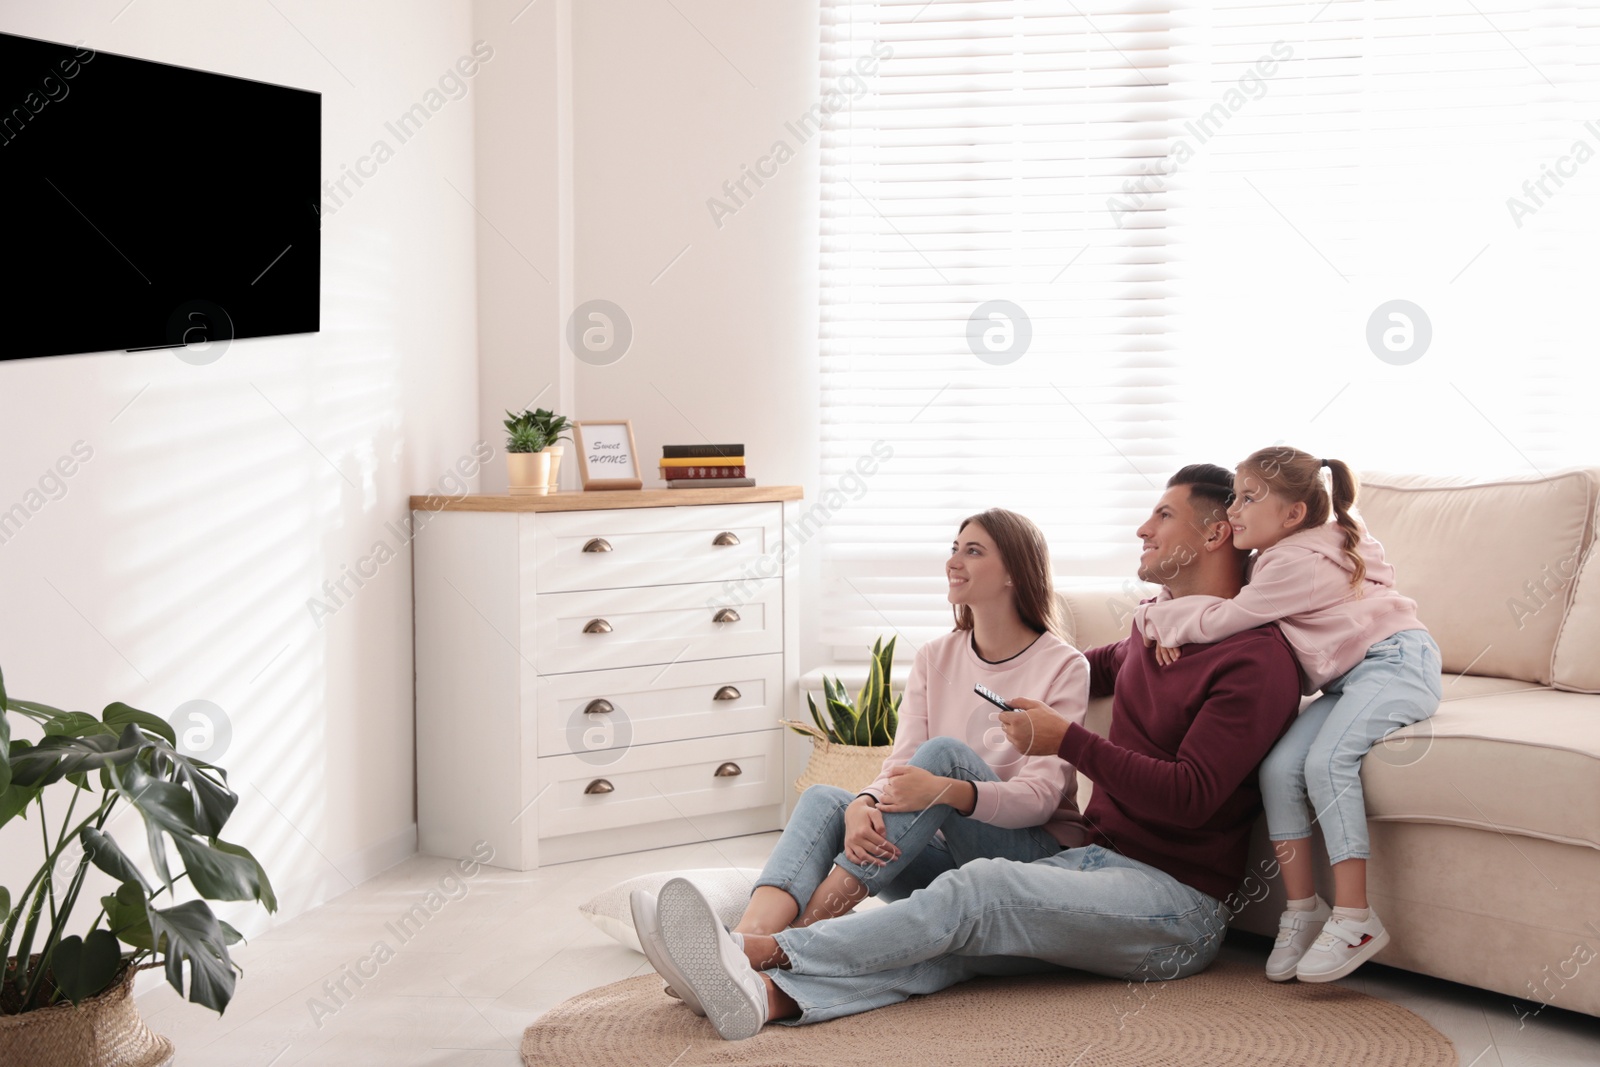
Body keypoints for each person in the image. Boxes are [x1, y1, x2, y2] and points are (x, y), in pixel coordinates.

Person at [633, 464, 1303, 1040]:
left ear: (1215, 534)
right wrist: (1152, 633)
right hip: (1094, 862)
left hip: (1177, 904)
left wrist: (1066, 740)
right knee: (955, 937)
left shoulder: (1256, 660)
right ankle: (769, 998)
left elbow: (1189, 795)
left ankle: (758, 949)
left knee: (979, 890)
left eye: (1162, 513)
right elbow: (1073, 666)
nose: (1142, 528)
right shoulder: (1159, 629)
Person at [630, 508, 1091, 1017]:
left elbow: (1042, 798)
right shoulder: (937, 655)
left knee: (942, 758)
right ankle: (747, 938)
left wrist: (947, 791)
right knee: (827, 799)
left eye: (973, 551)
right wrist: (867, 802)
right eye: (954, 547)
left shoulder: (1064, 665)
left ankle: (782, 948)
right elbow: (899, 761)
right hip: (935, 853)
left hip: (1030, 859)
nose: (953, 561)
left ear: (1014, 572)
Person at [1132, 446, 1441, 983]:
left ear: (1293, 515)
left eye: (1249, 499)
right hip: (1349, 677)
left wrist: (1166, 624)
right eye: (1235, 498)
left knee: (1325, 764)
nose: (1233, 512)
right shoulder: (1280, 555)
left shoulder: (1293, 562)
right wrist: (1161, 610)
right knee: (1278, 770)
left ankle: (1355, 916)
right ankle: (1304, 910)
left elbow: (1230, 616)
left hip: (1396, 663)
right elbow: (1204, 582)